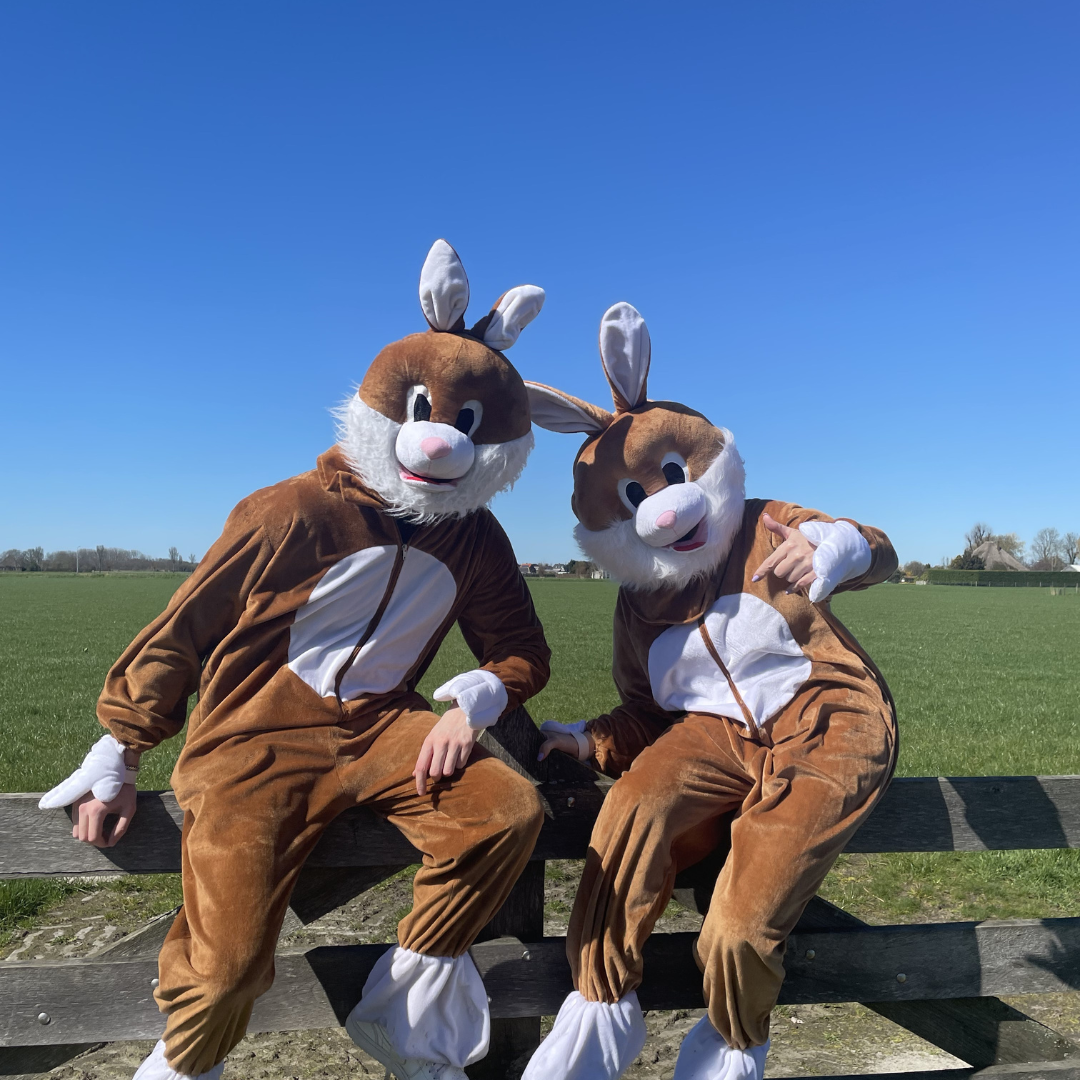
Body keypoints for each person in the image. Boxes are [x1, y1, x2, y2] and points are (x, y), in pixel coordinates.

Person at [39, 240, 551, 1080]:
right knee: (232, 961)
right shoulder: (290, 512)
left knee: (504, 813)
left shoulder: (476, 540)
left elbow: (522, 648)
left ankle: (401, 1013)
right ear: (386, 407)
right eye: (425, 413)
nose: (439, 444)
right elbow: (186, 625)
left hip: (384, 731)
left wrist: (480, 698)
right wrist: (121, 748)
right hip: (255, 739)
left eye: (464, 427)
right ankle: (178, 1065)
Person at [520, 302, 898, 1080]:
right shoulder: (638, 605)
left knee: (739, 920)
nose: (662, 506)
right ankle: (597, 1014)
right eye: (634, 499)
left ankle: (732, 1048)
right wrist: (590, 743)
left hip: (826, 719)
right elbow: (643, 711)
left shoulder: (765, 523)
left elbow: (875, 546)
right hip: (715, 733)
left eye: (667, 475)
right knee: (632, 813)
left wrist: (838, 550)